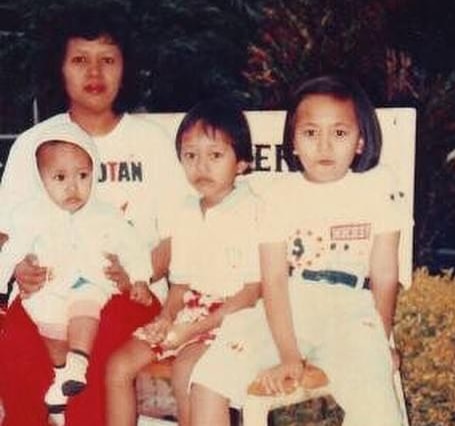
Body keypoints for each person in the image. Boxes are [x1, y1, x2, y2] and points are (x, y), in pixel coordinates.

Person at [0, 4, 187, 426]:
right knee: (14, 345)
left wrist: (137, 277)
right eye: (80, 60)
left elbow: (178, 234)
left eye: (108, 59)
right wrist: (20, 270)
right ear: (60, 68)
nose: (95, 73)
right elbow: (6, 234)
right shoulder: (35, 143)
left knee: (99, 351)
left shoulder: (151, 142)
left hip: (125, 296)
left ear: (127, 67)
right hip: (45, 294)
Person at [188, 74, 409, 426]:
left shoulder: (378, 187)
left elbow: (384, 274)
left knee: (374, 397)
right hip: (287, 309)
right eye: (310, 133)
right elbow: (273, 280)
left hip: (351, 312)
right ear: (292, 142)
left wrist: (380, 341)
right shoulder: (277, 195)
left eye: (339, 133)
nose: (324, 147)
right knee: (207, 378)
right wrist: (288, 355)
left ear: (360, 141)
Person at [105, 99, 262, 426]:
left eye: (215, 155)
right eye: (191, 156)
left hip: (233, 319)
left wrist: (190, 329)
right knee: (117, 365)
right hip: (187, 312)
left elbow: (251, 293)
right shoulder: (187, 211)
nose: (201, 166)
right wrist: (165, 317)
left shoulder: (254, 210)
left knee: (186, 371)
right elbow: (181, 284)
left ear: (243, 162)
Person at [0, 122, 154, 423]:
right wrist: (9, 278)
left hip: (92, 285)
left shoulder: (105, 214)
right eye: (60, 178)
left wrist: (137, 278)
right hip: (47, 289)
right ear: (42, 181)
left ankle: (77, 364)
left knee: (86, 307)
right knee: (26, 333)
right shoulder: (31, 215)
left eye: (82, 176)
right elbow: (10, 250)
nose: (73, 187)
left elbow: (133, 246)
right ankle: (61, 376)